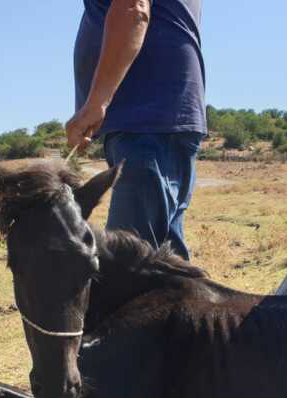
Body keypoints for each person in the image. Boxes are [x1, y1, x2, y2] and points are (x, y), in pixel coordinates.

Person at [67, 0, 205, 260]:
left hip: (147, 118)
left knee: (125, 267)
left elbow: (133, 9)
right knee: (165, 271)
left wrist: (97, 102)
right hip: (151, 119)